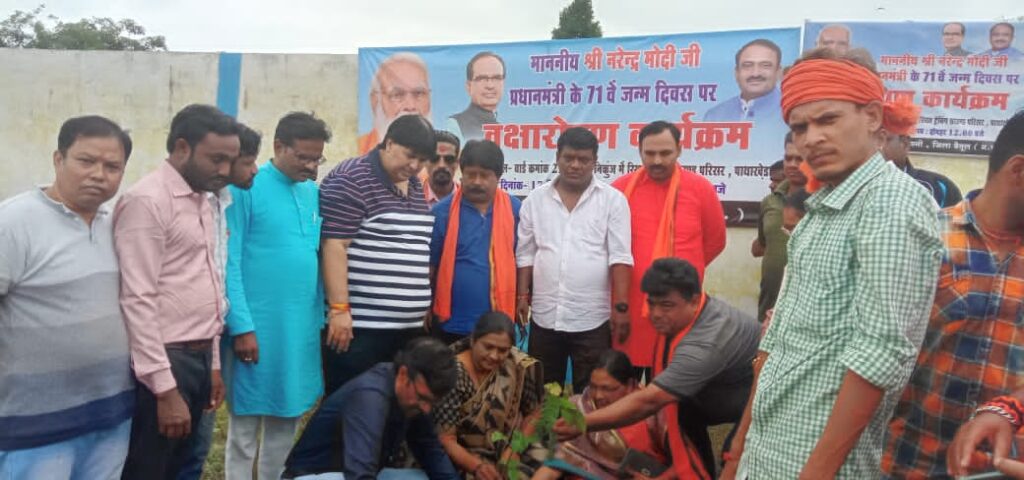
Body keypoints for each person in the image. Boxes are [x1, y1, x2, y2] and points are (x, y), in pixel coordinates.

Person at [721, 48, 944, 480]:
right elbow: (776, 344)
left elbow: (880, 353)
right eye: (800, 127)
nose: (811, 139)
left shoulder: (890, 202)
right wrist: (738, 451)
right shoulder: (819, 211)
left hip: (815, 463)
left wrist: (816, 473)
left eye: (828, 120)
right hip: (769, 450)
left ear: (873, 116)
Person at [883, 111, 1024, 478]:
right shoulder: (925, 238)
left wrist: (1009, 408)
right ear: (1019, 171)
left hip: (999, 469)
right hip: (904, 463)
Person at [0, 116, 134, 479]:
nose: (98, 175)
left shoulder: (116, 225)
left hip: (111, 416)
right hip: (35, 427)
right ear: (58, 159)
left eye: (112, 167)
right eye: (86, 161)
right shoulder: (14, 222)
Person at [115, 104, 239, 479]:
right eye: (216, 159)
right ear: (182, 148)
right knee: (150, 468)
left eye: (230, 160)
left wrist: (213, 364)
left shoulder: (203, 200)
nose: (225, 170)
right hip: (165, 361)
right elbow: (137, 298)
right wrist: (165, 390)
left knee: (184, 465)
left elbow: (208, 284)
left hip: (198, 356)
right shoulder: (148, 201)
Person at [553, 258, 760, 478]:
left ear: (694, 300)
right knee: (680, 420)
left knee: (736, 459)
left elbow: (650, 401)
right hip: (718, 394)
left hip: (760, 402)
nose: (656, 313)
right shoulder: (687, 319)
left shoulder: (707, 341)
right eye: (652, 303)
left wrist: (582, 423)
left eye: (667, 305)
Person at [221, 112, 331, 480]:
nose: (311, 166)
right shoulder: (245, 188)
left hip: (299, 331)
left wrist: (320, 320)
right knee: (244, 428)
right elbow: (230, 261)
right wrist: (241, 327)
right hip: (256, 330)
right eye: (303, 157)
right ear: (279, 146)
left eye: (317, 158)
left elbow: (314, 260)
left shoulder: (312, 193)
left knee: (287, 419)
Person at [320, 114, 436, 395]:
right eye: (410, 156)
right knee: (353, 403)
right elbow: (334, 246)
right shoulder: (351, 178)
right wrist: (339, 310)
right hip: (361, 329)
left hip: (406, 331)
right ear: (390, 143)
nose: (415, 166)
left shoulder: (415, 185)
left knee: (393, 407)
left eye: (422, 160)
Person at [516, 127, 633, 392]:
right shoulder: (535, 199)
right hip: (545, 316)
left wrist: (621, 308)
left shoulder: (613, 201)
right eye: (569, 158)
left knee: (591, 393)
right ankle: (547, 422)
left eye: (583, 159)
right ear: (557, 157)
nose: (575, 165)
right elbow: (525, 252)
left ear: (595, 161)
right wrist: (522, 296)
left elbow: (620, 257)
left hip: (592, 319)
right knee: (543, 392)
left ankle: (585, 423)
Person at [177, 122, 262, 480]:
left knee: (195, 449)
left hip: (205, 343)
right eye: (247, 161)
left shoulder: (218, 203)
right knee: (165, 450)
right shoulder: (158, 203)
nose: (254, 170)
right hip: (173, 350)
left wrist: (213, 360)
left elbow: (216, 282)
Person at [610, 121, 726, 370]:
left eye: (665, 153)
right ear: (639, 151)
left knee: (671, 381)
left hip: (678, 308)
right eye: (650, 153)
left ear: (679, 150)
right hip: (629, 307)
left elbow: (715, 241)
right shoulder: (619, 190)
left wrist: (680, 275)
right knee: (624, 381)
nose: (657, 161)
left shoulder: (700, 189)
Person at [283, 337, 460, 480]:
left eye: (432, 402)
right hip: (314, 475)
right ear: (403, 374)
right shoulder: (370, 397)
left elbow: (430, 450)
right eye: (422, 398)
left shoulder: (415, 397)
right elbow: (360, 474)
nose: (426, 409)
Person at [430, 140, 521, 344]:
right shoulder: (441, 213)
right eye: (471, 174)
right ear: (461, 174)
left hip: (498, 326)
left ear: (498, 176)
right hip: (451, 322)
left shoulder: (515, 210)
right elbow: (430, 266)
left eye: (484, 175)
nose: (477, 182)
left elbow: (523, 261)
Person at [433, 312, 545, 478]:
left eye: (502, 350)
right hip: (463, 454)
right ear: (473, 341)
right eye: (488, 347)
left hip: (508, 446)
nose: (494, 356)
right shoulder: (451, 374)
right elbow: (445, 439)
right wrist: (477, 467)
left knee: (550, 461)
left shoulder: (515, 365)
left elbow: (535, 412)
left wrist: (514, 449)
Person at [533, 350, 672, 480]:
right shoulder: (579, 407)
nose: (598, 396)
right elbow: (554, 466)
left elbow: (681, 462)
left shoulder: (653, 413)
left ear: (630, 385)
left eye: (607, 388)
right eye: (593, 387)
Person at [753, 133, 807, 322]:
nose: (792, 164)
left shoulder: (828, 202)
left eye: (800, 159)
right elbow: (761, 246)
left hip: (807, 308)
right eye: (788, 158)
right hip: (769, 303)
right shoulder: (770, 201)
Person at [879, 100, 963, 208]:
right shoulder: (859, 184)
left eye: (883, 139)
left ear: (904, 144)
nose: (877, 147)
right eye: (870, 140)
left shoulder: (939, 186)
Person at [359, 52, 433, 154]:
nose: (410, 106)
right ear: (375, 101)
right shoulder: (357, 152)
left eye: (419, 93)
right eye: (397, 95)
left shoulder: (447, 154)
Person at [704, 39, 784, 125]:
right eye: (747, 65)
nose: (755, 73)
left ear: (778, 72)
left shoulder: (788, 111)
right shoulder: (715, 116)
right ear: (736, 73)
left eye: (765, 65)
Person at [446, 51, 505, 142]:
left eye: (497, 78)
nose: (490, 85)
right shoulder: (455, 125)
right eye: (482, 78)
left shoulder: (505, 131)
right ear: (469, 86)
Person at [422, 129, 461, 207]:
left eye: (449, 159)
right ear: (425, 161)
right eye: (434, 158)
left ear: (457, 163)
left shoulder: (471, 201)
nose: (441, 165)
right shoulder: (411, 200)